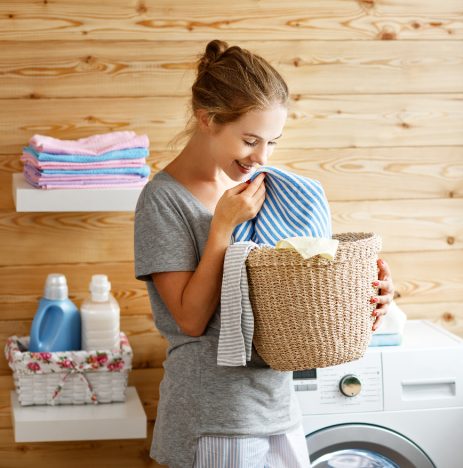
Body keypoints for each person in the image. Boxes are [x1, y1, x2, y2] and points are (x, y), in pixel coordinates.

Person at [134, 39, 396, 468]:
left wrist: (367, 291)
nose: (261, 157)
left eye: (272, 142)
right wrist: (222, 226)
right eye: (250, 140)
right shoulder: (163, 200)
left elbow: (298, 285)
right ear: (207, 119)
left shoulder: (265, 189)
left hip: (278, 404)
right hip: (214, 414)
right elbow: (189, 319)